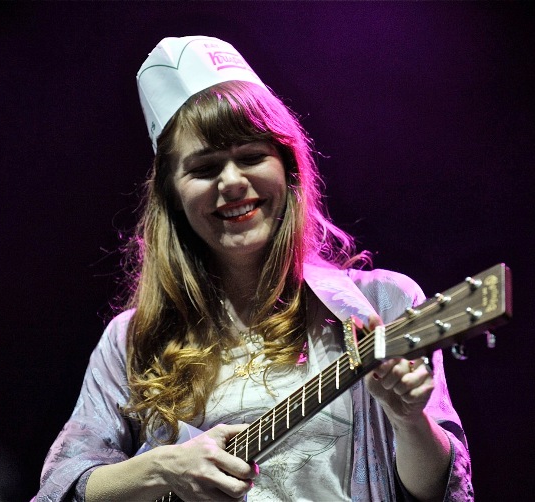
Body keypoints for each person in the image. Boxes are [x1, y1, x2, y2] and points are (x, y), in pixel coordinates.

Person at [34, 35, 473, 502]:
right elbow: (62, 487)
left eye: (250, 157)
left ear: (288, 168)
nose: (232, 183)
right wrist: (165, 467)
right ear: (172, 195)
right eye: (204, 168)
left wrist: (409, 419)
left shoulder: (380, 303)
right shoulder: (133, 340)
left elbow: (438, 493)